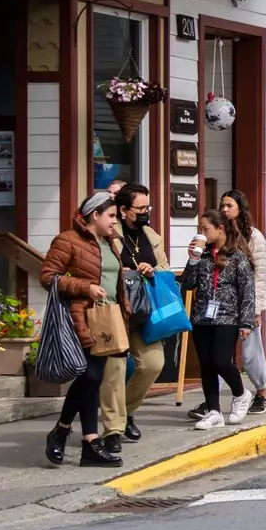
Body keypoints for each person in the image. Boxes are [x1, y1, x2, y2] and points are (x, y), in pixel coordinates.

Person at [40, 190, 129, 468]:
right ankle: (63, 429)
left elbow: (113, 280)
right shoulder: (68, 240)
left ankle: (90, 442)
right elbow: (48, 276)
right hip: (80, 318)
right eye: (111, 216)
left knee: (93, 381)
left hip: (107, 320)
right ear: (95, 215)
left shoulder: (112, 243)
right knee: (89, 377)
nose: (115, 221)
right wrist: (84, 287)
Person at [98, 183, 162, 454]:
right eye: (140, 208)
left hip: (143, 309)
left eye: (148, 207)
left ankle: (127, 412)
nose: (146, 212)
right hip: (116, 310)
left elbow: (165, 267)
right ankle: (113, 428)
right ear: (123, 210)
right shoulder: (110, 235)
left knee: (152, 364)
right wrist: (120, 272)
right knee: (114, 371)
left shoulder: (150, 235)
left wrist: (151, 270)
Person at [181, 210, 255, 429]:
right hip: (202, 316)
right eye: (199, 229)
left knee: (221, 360)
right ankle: (214, 411)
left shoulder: (237, 256)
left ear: (220, 229)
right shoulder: (202, 256)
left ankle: (241, 394)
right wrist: (193, 260)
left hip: (228, 316)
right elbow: (188, 284)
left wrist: (246, 322)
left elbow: (247, 291)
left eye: (205, 229)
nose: (201, 233)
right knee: (206, 365)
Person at [220, 189, 266, 414]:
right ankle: (211, 400)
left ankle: (262, 392)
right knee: (219, 353)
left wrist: (257, 308)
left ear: (240, 208)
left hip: (247, 301)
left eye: (229, 205)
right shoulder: (219, 234)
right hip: (223, 301)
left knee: (251, 352)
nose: (224, 210)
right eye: (222, 205)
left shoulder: (253, 236)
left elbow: (261, 274)